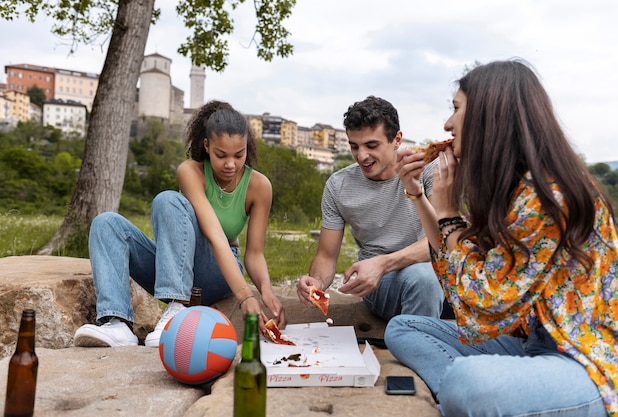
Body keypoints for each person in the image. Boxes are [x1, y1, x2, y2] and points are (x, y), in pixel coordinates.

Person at [389, 59, 618, 417]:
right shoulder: (513, 190)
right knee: (403, 328)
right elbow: (457, 281)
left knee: (467, 381)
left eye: (456, 109)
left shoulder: (549, 197)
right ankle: (472, 403)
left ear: (489, 116)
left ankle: (467, 398)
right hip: (530, 343)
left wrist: (450, 212)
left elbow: (484, 300)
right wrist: (419, 196)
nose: (447, 124)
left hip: (582, 362)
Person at [74, 100, 286, 348]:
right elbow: (209, 231)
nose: (231, 164)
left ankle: (177, 312)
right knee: (106, 223)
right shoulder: (190, 171)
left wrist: (262, 291)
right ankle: (117, 323)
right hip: (176, 269)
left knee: (168, 200)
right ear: (206, 146)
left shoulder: (259, 186)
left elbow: (252, 251)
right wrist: (245, 295)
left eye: (239, 155)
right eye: (221, 155)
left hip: (217, 273)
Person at [296, 95, 446, 321]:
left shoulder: (426, 170)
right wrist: (316, 282)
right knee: (423, 279)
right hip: (381, 284)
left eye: (371, 145)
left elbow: (444, 239)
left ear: (397, 139)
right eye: (354, 146)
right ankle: (420, 342)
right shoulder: (338, 186)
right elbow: (326, 255)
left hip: (437, 273)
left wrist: (383, 263)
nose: (361, 156)